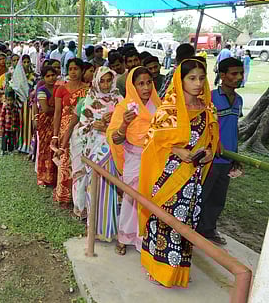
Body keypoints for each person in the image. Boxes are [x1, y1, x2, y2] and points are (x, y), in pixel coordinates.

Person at [139, 58, 219, 288]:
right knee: (164, 221)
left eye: (201, 78)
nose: (197, 83)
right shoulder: (169, 109)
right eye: (191, 78)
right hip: (168, 177)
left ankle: (178, 271)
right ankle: (158, 269)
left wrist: (208, 153)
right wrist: (176, 150)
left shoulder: (207, 108)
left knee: (187, 223)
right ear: (180, 80)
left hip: (193, 178)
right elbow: (151, 139)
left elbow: (213, 140)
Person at [108, 67, 162, 255]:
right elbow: (115, 138)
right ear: (132, 86)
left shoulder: (159, 105)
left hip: (154, 160)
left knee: (150, 200)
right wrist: (124, 123)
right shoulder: (124, 107)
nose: (146, 87)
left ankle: (145, 240)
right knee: (131, 199)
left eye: (149, 82)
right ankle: (124, 238)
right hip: (134, 160)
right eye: (141, 83)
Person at [196, 57, 244, 246]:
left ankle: (208, 230)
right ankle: (192, 231)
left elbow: (234, 128)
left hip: (228, 158)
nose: (238, 77)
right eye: (234, 74)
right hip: (211, 157)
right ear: (222, 76)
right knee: (202, 194)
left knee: (218, 198)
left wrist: (236, 155)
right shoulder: (211, 98)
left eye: (241, 73)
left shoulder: (239, 100)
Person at [68, 67, 122, 229]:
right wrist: (95, 124)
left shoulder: (119, 99)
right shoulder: (90, 99)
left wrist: (111, 122)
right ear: (97, 81)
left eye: (108, 80)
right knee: (94, 185)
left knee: (111, 186)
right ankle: (93, 225)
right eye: (102, 81)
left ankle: (109, 225)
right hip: (93, 148)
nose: (105, 85)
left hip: (112, 147)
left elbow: (126, 123)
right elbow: (83, 126)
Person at [51, 58, 89, 209]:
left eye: (76, 69)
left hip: (82, 129)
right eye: (71, 69)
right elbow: (57, 113)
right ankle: (64, 195)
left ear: (82, 71)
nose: (73, 72)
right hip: (65, 129)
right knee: (65, 161)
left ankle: (80, 197)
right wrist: (55, 135)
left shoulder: (88, 90)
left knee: (79, 161)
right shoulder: (61, 89)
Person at [36, 66, 59, 187]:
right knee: (45, 149)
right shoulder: (41, 90)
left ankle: (54, 176)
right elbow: (45, 109)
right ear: (44, 78)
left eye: (53, 75)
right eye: (48, 76)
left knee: (55, 148)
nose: (51, 78)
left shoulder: (59, 88)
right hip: (46, 123)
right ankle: (42, 176)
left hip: (56, 122)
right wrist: (58, 110)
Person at [0, 89, 20, 155]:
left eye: (11, 100)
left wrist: (17, 126)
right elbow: (2, 117)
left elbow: (17, 117)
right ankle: (3, 150)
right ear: (6, 100)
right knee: (4, 139)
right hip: (5, 127)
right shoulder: (4, 107)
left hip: (13, 127)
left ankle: (10, 150)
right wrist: (1, 126)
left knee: (11, 139)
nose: (10, 102)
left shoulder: (15, 107)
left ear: (14, 100)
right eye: (8, 100)